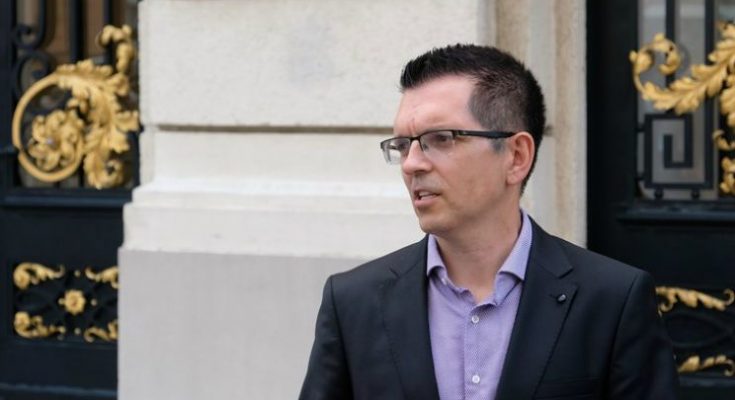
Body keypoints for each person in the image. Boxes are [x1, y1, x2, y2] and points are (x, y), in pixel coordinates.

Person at [299, 44, 678, 400]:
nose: (412, 163)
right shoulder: (354, 302)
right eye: (402, 145)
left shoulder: (612, 300)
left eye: (440, 138)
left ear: (516, 156)